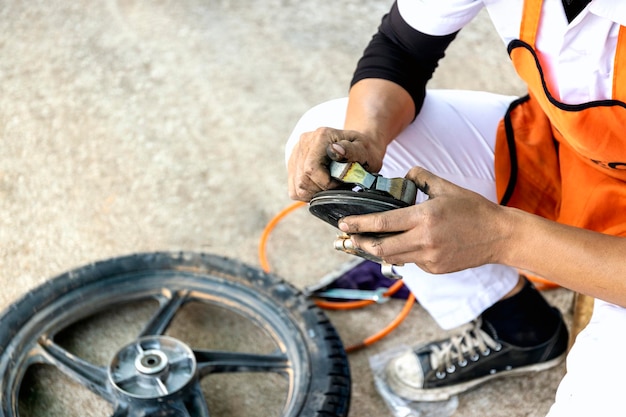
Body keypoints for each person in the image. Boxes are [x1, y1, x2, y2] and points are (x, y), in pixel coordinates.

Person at [285, 0, 626, 415]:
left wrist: (504, 236)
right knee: (328, 140)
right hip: (571, 154)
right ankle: (518, 326)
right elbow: (401, 48)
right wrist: (364, 139)